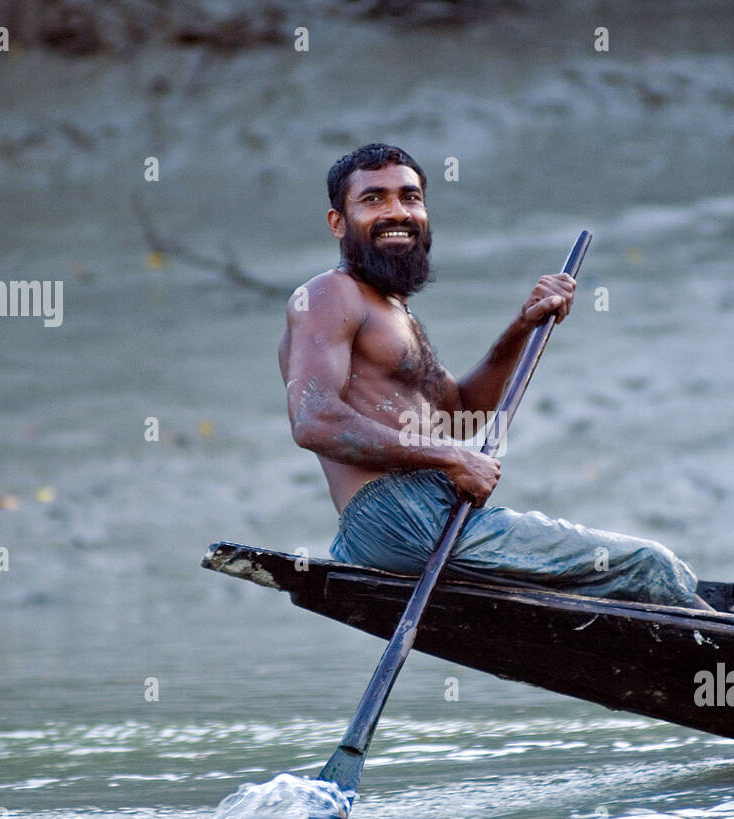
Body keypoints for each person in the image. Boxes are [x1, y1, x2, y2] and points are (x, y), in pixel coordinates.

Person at [277, 143, 704, 607]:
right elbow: (314, 420)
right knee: (648, 564)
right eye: (373, 199)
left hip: (429, 514)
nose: (397, 212)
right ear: (337, 222)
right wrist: (452, 459)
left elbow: (462, 413)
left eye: (410, 197)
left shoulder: (392, 310)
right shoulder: (328, 295)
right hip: (397, 517)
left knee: (620, 584)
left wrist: (522, 326)